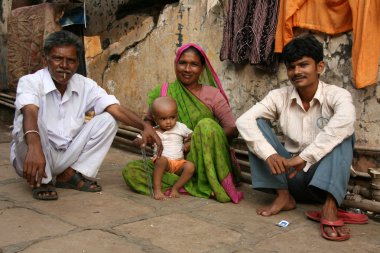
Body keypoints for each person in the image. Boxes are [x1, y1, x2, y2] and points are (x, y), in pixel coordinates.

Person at [236, 35, 363, 241]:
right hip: (289, 176)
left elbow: (346, 120)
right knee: (256, 122)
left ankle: (330, 207)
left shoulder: (336, 95)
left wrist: (306, 156)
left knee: (344, 131)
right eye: (291, 67)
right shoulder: (280, 96)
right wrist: (268, 154)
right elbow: (243, 121)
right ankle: (283, 197)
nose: (297, 72)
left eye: (304, 65)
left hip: (322, 181)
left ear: (320, 66)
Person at [10, 30, 162, 201]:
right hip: (33, 152)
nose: (64, 65)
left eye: (71, 61)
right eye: (57, 58)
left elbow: (115, 108)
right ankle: (43, 181)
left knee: (109, 119)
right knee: (27, 117)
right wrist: (34, 147)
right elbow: (30, 110)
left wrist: (145, 126)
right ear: (45, 60)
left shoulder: (85, 85)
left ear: (77, 63)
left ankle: (70, 174)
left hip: (66, 154)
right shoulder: (30, 82)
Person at [123, 43, 244, 203]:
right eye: (183, 63)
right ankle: (194, 185)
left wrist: (199, 136)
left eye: (194, 64)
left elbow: (232, 129)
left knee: (206, 124)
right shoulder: (163, 92)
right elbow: (148, 122)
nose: (187, 69)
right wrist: (147, 134)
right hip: (171, 162)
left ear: (202, 68)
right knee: (131, 171)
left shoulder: (213, 95)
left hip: (203, 160)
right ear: (176, 64)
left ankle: (201, 181)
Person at [140, 96, 195, 200]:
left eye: (172, 117)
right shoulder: (153, 131)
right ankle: (157, 189)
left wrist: (189, 143)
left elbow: (194, 135)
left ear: (177, 116)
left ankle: (176, 188)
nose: (169, 122)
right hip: (162, 162)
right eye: (163, 119)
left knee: (190, 167)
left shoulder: (180, 127)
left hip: (179, 163)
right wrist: (145, 139)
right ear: (155, 119)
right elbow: (136, 141)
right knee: (162, 160)